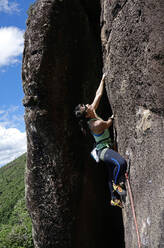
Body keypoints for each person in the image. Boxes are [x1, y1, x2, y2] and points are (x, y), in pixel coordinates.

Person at [74, 73, 127, 208]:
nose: (88, 104)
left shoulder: (92, 112)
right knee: (121, 163)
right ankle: (116, 185)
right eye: (86, 106)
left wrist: (102, 79)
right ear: (87, 113)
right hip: (104, 150)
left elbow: (98, 95)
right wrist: (112, 118)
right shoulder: (94, 124)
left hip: (105, 147)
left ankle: (114, 199)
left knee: (111, 172)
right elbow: (108, 123)